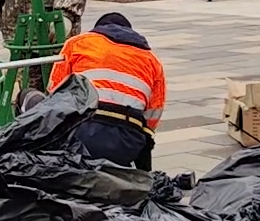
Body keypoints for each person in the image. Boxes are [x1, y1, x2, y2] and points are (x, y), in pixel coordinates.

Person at [38, 12, 165, 169]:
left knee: (31, 101)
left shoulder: (77, 43)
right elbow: (152, 118)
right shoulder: (152, 61)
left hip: (79, 134)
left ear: (98, 30)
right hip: (126, 143)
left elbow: (54, 92)